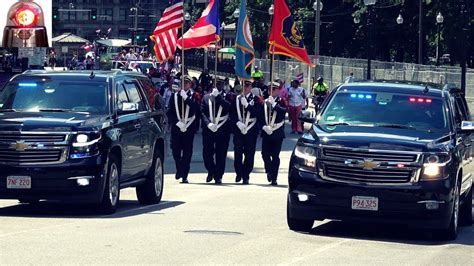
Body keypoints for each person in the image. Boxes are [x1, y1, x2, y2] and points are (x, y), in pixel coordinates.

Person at [166, 75, 201, 183]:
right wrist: (176, 122)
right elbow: (170, 113)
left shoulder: (195, 95)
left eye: (186, 83)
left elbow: (197, 110)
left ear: (190, 84)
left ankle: (184, 174)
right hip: (177, 128)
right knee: (175, 151)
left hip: (189, 128)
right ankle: (179, 168)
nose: (184, 84)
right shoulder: (175, 96)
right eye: (183, 83)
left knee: (187, 152)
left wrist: (186, 99)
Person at [231, 79, 263, 185]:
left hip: (251, 129)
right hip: (239, 129)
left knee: (249, 154)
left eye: (247, 86)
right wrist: (237, 123)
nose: (245, 88)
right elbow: (232, 113)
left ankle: (246, 175)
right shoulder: (236, 99)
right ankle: (238, 172)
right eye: (244, 86)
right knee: (238, 151)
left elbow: (257, 113)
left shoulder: (257, 99)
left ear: (251, 88)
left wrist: (247, 106)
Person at [201, 79, 232, 184]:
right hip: (209, 128)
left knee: (221, 154)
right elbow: (202, 112)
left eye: (220, 83)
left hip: (223, 128)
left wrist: (219, 97)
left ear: (223, 85)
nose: (218, 85)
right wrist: (208, 123)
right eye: (216, 83)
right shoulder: (206, 97)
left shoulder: (228, 96)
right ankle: (211, 170)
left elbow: (229, 107)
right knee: (207, 153)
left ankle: (218, 176)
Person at [261, 83, 287, 186]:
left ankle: (274, 177)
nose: (271, 91)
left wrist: (275, 105)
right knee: (265, 154)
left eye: (274, 89)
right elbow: (260, 116)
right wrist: (263, 126)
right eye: (269, 89)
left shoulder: (282, 101)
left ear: (278, 90)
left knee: (275, 156)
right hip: (267, 131)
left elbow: (284, 112)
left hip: (277, 132)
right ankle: (269, 170)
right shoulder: (264, 102)